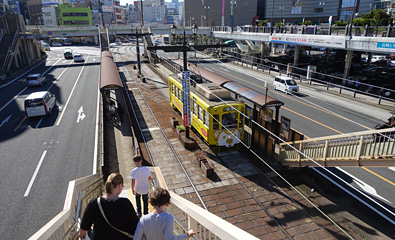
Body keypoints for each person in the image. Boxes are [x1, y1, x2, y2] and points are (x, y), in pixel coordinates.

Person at [78, 173, 139, 240]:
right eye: (122, 186)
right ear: (119, 185)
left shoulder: (94, 203)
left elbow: (83, 229)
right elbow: (136, 226)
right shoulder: (125, 203)